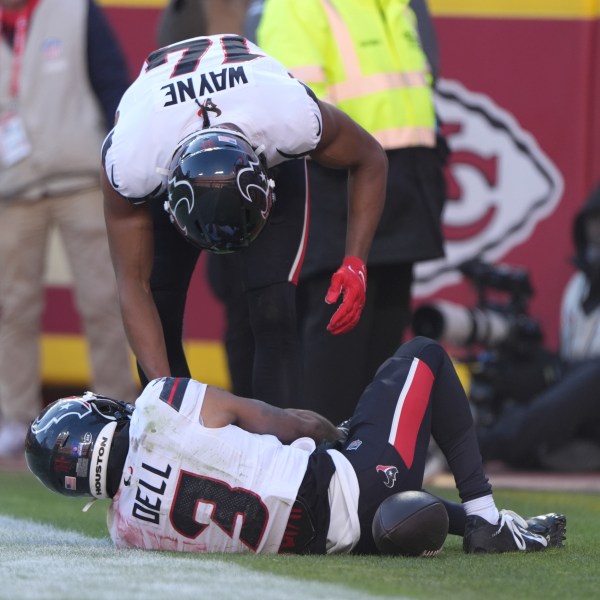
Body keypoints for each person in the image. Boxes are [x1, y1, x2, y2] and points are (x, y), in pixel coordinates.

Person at [25, 336, 566, 554]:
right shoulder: (159, 403)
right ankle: (486, 520)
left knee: (341, 480)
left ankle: (455, 520)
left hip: (335, 540)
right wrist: (339, 431)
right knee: (424, 354)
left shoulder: (125, 532)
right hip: (350, 487)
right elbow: (278, 422)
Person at [101, 33, 388, 408]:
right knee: (160, 308)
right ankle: (178, 440)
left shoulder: (288, 117)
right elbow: (132, 284)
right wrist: (168, 406)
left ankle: (284, 455)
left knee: (274, 313)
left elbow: (370, 157)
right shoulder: (133, 160)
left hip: (252, 121)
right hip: (168, 137)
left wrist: (356, 263)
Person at [256, 0, 448, 423]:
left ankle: (370, 456)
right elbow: (297, 107)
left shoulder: (396, 5)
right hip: (338, 182)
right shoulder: (297, 6)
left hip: (403, 182)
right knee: (335, 339)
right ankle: (317, 460)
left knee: (385, 340)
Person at [0, 0, 137, 457]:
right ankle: (13, 419)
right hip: (12, 189)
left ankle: (116, 414)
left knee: (103, 301)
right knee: (11, 308)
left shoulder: (76, 10)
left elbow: (114, 85)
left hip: (80, 180)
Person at [477, 183, 600, 471]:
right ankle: (492, 435)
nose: (597, 233)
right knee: (525, 367)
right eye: (593, 224)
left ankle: (485, 445)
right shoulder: (578, 286)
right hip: (582, 406)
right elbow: (569, 360)